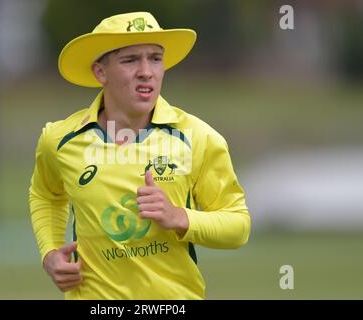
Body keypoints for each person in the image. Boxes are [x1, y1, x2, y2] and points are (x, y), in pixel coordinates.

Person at [29, 11, 251, 300]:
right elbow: (46, 195)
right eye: (130, 60)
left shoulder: (197, 138)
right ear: (100, 72)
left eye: (155, 58)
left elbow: (238, 227)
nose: (146, 71)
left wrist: (180, 217)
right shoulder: (59, 140)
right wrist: (50, 252)